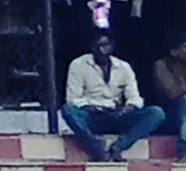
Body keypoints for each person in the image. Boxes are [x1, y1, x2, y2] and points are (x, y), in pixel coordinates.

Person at [62, 32, 171, 160]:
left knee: (156, 113)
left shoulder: (123, 67)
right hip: (92, 116)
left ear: (112, 46)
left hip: (117, 116)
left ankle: (119, 146)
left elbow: (135, 98)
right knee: (68, 110)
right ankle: (96, 147)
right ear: (91, 47)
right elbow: (73, 100)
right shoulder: (78, 65)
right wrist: (97, 105)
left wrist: (127, 108)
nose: (102, 50)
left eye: (105, 45)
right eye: (98, 46)